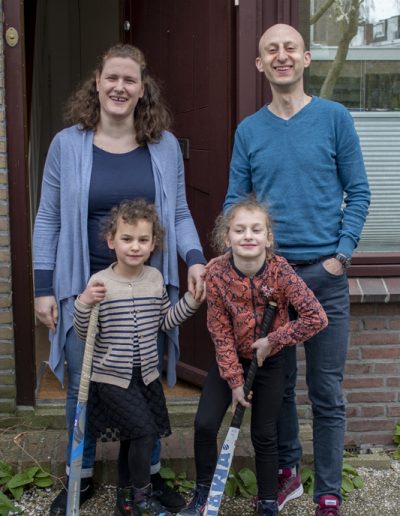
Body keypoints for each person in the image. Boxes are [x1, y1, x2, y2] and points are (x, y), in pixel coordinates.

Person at [32, 44, 206, 515]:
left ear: (142, 87)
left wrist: (193, 259)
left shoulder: (164, 146)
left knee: (145, 382)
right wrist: (43, 287)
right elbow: (47, 218)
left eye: (130, 80)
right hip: (82, 287)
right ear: (97, 81)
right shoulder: (67, 145)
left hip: (144, 288)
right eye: (112, 77)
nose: (120, 87)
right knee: (82, 386)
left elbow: (182, 212)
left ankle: (145, 478)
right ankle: (81, 477)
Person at [223, 24, 371, 516]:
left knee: (326, 392)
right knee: (278, 390)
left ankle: (329, 489)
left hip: (325, 279)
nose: (281, 56)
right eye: (271, 50)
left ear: (306, 58)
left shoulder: (334, 119)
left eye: (290, 48)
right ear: (259, 65)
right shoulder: (249, 131)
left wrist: (340, 257)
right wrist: (232, 265)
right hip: (270, 284)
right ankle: (287, 474)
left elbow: (360, 192)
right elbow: (234, 204)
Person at [178, 197, 328, 516]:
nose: (248, 236)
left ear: (268, 238)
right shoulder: (216, 273)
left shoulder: (281, 272)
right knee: (204, 423)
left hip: (271, 362)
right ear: (227, 237)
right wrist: (234, 381)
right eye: (240, 230)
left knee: (264, 432)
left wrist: (273, 340)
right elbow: (219, 332)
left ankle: (268, 499)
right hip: (231, 358)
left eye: (256, 229)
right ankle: (204, 492)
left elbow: (317, 317)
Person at [74, 199, 203, 515]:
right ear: (111, 241)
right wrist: (84, 301)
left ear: (153, 243)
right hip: (111, 379)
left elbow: (165, 321)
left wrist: (192, 301)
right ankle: (143, 494)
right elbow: (83, 333)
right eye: (127, 239)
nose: (135, 247)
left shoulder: (155, 279)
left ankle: (126, 502)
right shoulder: (100, 282)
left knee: (133, 439)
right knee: (144, 432)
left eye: (143, 240)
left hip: (145, 376)